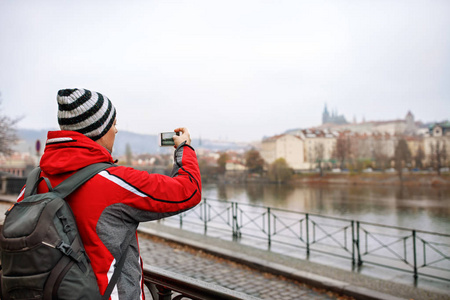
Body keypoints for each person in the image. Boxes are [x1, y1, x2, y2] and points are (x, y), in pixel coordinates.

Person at [16, 88, 202, 299]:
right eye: (113, 124)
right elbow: (188, 190)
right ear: (99, 130)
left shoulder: (32, 183)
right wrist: (184, 148)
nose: (116, 131)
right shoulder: (114, 183)